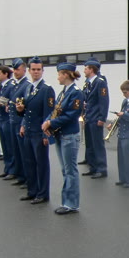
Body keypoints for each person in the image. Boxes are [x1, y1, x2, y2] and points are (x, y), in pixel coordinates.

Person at [42, 63, 83, 214]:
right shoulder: (64, 92)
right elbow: (55, 111)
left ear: (66, 74)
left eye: (59, 74)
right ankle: (67, 202)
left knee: (70, 170)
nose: (58, 77)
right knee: (65, 170)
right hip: (61, 134)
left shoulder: (76, 93)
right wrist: (47, 122)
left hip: (69, 135)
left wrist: (51, 123)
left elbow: (72, 115)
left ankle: (71, 204)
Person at [18, 56, 54, 205]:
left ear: (42, 71)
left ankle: (42, 193)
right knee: (29, 162)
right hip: (28, 130)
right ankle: (32, 191)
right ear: (29, 70)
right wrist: (22, 122)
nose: (36, 72)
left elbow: (49, 113)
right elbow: (27, 110)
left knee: (41, 164)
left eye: (39, 69)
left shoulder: (46, 89)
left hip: (39, 132)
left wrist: (46, 135)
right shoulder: (29, 88)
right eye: (33, 69)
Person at [80, 58, 110, 179]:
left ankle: (101, 169)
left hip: (96, 117)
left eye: (86, 68)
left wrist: (102, 118)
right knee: (90, 144)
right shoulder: (89, 83)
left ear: (91, 69)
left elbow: (104, 101)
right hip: (89, 117)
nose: (84, 71)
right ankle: (93, 168)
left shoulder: (100, 82)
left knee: (97, 145)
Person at [8, 58, 31, 187]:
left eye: (17, 69)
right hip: (13, 121)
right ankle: (20, 175)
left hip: (20, 121)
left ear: (24, 70)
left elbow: (26, 107)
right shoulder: (16, 84)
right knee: (16, 151)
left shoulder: (26, 85)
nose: (15, 72)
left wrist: (23, 123)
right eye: (14, 69)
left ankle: (27, 178)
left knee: (24, 153)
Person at [113, 80, 129, 188]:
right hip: (122, 132)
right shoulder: (125, 102)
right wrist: (114, 124)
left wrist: (124, 114)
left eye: (125, 92)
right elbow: (122, 116)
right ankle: (123, 178)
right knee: (121, 157)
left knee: (128, 158)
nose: (124, 94)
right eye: (123, 92)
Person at [0, 66, 17, 179]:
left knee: (10, 146)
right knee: (4, 146)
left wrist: (2, 104)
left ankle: (13, 170)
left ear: (6, 74)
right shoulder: (0, 86)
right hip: (2, 119)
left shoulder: (10, 85)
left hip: (8, 119)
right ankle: (7, 168)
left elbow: (11, 101)